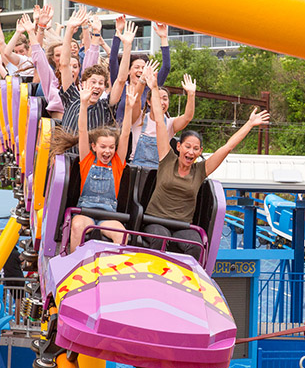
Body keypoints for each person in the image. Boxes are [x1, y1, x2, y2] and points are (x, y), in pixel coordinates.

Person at [143, 63, 269, 259]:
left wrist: (250, 124)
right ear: (178, 147)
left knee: (195, 244)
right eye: (187, 147)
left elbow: (227, 147)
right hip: (156, 221)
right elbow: (160, 121)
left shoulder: (200, 171)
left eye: (195, 149)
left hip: (181, 225)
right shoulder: (167, 159)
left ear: (200, 151)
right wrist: (152, 87)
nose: (190, 152)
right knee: (161, 238)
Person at [51, 79, 136, 253]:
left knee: (123, 235)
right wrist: (83, 104)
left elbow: (126, 134)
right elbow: (82, 131)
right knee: (77, 227)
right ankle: (74, 264)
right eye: (103, 147)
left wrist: (128, 108)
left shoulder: (117, 163)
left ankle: (114, 269)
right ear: (94, 147)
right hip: (86, 212)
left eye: (111, 147)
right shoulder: (87, 159)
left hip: (108, 215)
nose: (108, 151)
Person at [128, 73, 196, 169]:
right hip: (137, 169)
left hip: (159, 170)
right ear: (149, 102)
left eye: (165, 99)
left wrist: (191, 94)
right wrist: (142, 80)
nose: (162, 102)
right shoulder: (139, 118)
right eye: (158, 98)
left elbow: (187, 117)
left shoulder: (170, 123)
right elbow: (136, 100)